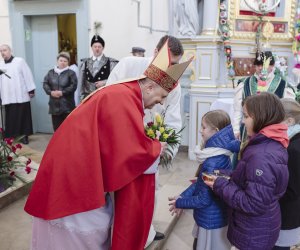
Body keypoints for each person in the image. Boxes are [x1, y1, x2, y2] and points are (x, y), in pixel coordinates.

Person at [24, 40, 192, 250]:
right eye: (161, 97)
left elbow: (118, 144)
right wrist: (157, 149)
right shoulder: (123, 98)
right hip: (73, 175)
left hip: (78, 166)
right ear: (150, 86)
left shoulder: (126, 95)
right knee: (81, 233)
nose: (160, 103)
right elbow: (128, 152)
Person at [106, 35, 184, 247]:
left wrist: (166, 151)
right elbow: (108, 97)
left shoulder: (174, 85)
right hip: (122, 142)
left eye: (174, 64)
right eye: (167, 60)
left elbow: (173, 120)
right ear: (155, 51)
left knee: (151, 189)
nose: (170, 67)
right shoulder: (129, 65)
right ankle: (115, 235)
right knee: (118, 191)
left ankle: (146, 232)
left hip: (151, 146)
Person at [204, 92, 289, 250]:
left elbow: (253, 203)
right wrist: (223, 174)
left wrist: (219, 184)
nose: (243, 121)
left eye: (246, 116)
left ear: (260, 117)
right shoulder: (269, 143)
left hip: (253, 231)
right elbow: (254, 181)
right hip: (261, 226)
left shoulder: (262, 155)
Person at [169, 110, 240, 250]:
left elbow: (204, 199)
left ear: (215, 131)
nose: (200, 131)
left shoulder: (212, 161)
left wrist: (180, 202)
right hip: (218, 214)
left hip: (210, 219)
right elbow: (201, 182)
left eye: (203, 127)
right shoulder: (220, 152)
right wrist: (183, 195)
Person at [233, 51, 295, 142]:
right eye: (258, 65)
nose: (261, 68)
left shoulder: (283, 85)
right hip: (248, 131)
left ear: (272, 65)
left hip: (272, 133)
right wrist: (236, 129)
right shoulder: (245, 83)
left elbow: (287, 112)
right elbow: (238, 110)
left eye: (264, 65)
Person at [273, 99, 300, 250]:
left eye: (275, 120)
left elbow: (292, 190)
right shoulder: (292, 140)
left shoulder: (294, 149)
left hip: (286, 214)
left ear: (289, 121)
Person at [0, 44, 36, 145]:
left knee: (23, 116)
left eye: (5, 50)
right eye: (1, 51)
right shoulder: (0, 64)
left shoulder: (19, 61)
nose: (3, 53)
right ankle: (11, 136)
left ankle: (24, 136)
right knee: (11, 117)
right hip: (8, 95)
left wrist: (31, 90)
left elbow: (27, 74)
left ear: (10, 50)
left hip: (21, 94)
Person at [43, 52, 77, 131]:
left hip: (67, 106)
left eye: (65, 61)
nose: (63, 63)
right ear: (57, 61)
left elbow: (73, 86)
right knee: (57, 128)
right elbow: (45, 84)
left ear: (68, 62)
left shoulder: (71, 73)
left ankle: (68, 143)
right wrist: (51, 92)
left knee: (68, 129)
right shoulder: (50, 73)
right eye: (61, 60)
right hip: (54, 106)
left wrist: (62, 92)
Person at [80, 34, 118, 100]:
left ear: (103, 48)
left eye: (99, 47)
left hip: (104, 96)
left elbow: (115, 79)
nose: (97, 49)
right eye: (95, 46)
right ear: (91, 47)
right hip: (88, 98)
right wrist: (81, 98)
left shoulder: (111, 62)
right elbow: (81, 83)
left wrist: (104, 83)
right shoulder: (85, 63)